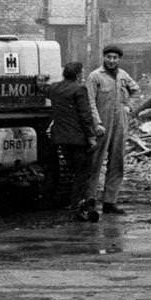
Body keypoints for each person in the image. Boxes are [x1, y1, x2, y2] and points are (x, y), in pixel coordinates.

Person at [43, 61, 105, 222]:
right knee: (82, 175)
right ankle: (78, 208)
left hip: (62, 139)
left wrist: (39, 80)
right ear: (78, 75)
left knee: (74, 172)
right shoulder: (79, 89)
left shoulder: (55, 88)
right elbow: (85, 116)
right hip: (79, 140)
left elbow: (43, 88)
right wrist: (91, 137)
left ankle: (79, 204)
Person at [86, 44, 141, 215]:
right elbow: (90, 102)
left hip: (120, 124)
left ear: (119, 59)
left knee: (117, 162)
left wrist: (129, 107)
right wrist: (96, 123)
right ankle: (90, 200)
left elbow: (136, 91)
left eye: (115, 58)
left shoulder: (123, 75)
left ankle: (110, 202)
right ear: (104, 58)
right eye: (108, 57)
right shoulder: (95, 76)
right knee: (95, 162)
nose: (111, 60)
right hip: (102, 125)